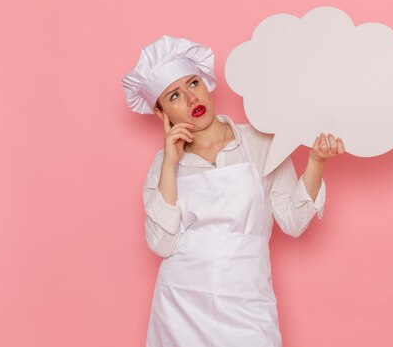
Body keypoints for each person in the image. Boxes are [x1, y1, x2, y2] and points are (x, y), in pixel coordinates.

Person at [122, 34, 345, 347]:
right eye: (173, 96)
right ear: (161, 114)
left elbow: (293, 224)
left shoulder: (261, 141)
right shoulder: (163, 163)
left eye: (193, 84)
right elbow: (161, 244)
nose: (190, 99)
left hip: (247, 300)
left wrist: (316, 161)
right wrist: (170, 165)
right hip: (181, 304)